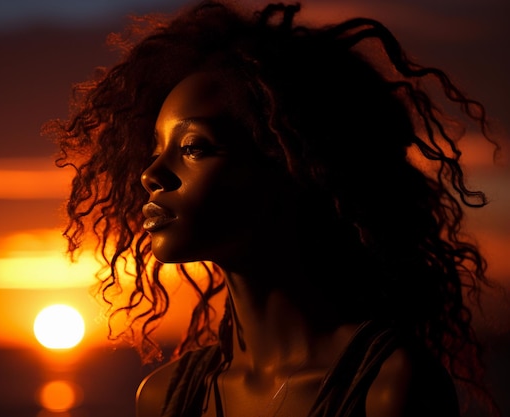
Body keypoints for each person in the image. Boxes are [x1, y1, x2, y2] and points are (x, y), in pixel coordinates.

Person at [43, 1, 504, 416]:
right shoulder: (166, 398)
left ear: (294, 166)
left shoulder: (386, 388)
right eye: (156, 150)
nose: (151, 175)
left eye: (194, 148)